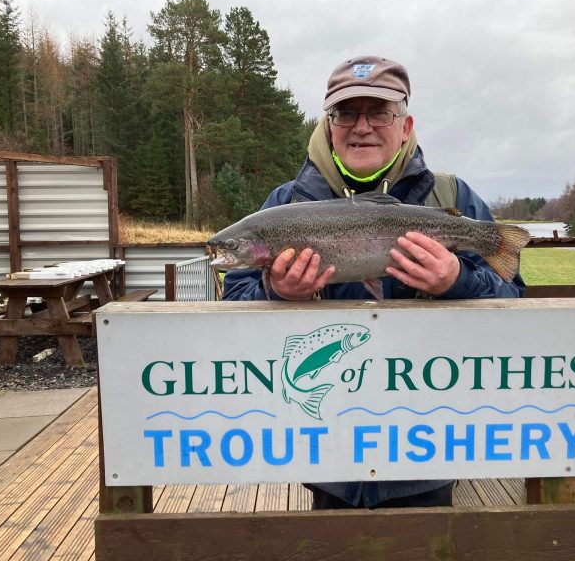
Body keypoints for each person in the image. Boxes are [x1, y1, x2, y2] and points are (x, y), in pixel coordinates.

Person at [222, 55, 526, 508]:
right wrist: (275, 291)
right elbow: (233, 301)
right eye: (346, 113)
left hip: (428, 435)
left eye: (378, 112)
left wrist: (457, 280)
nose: (361, 126)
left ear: (405, 125)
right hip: (325, 437)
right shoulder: (283, 205)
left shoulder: (452, 197)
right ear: (329, 126)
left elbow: (514, 302)